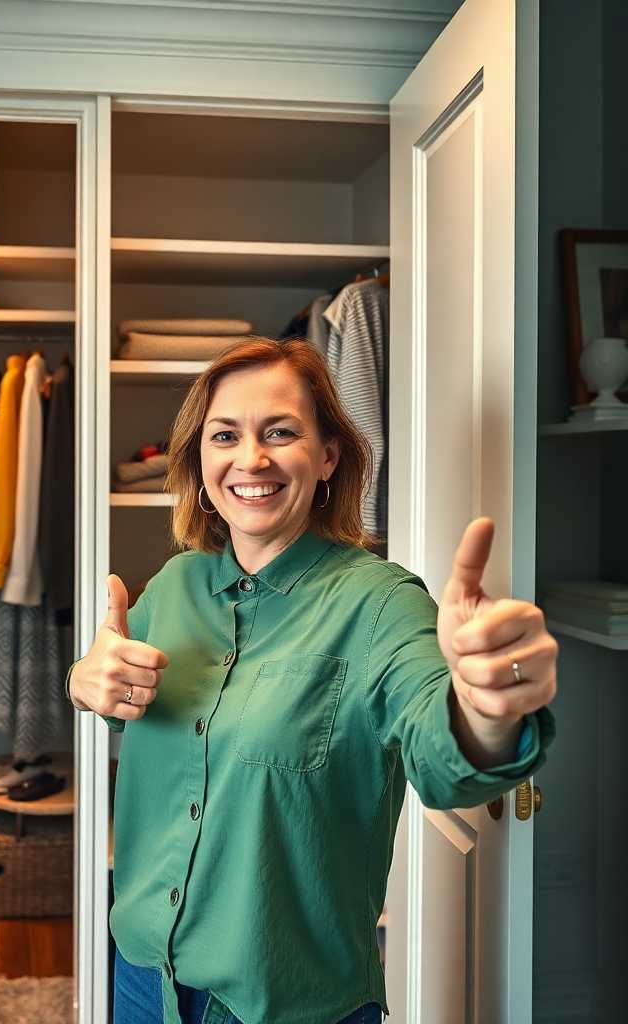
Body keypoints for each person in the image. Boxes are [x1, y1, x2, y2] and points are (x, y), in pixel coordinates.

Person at [67, 337, 558, 1024]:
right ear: (200, 460)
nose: (251, 459)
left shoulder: (382, 604)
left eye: (280, 433)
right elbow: (121, 695)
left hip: (285, 1004)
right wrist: (83, 681)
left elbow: (444, 757)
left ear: (328, 455)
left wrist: (488, 710)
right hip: (142, 977)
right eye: (225, 436)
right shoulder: (172, 586)